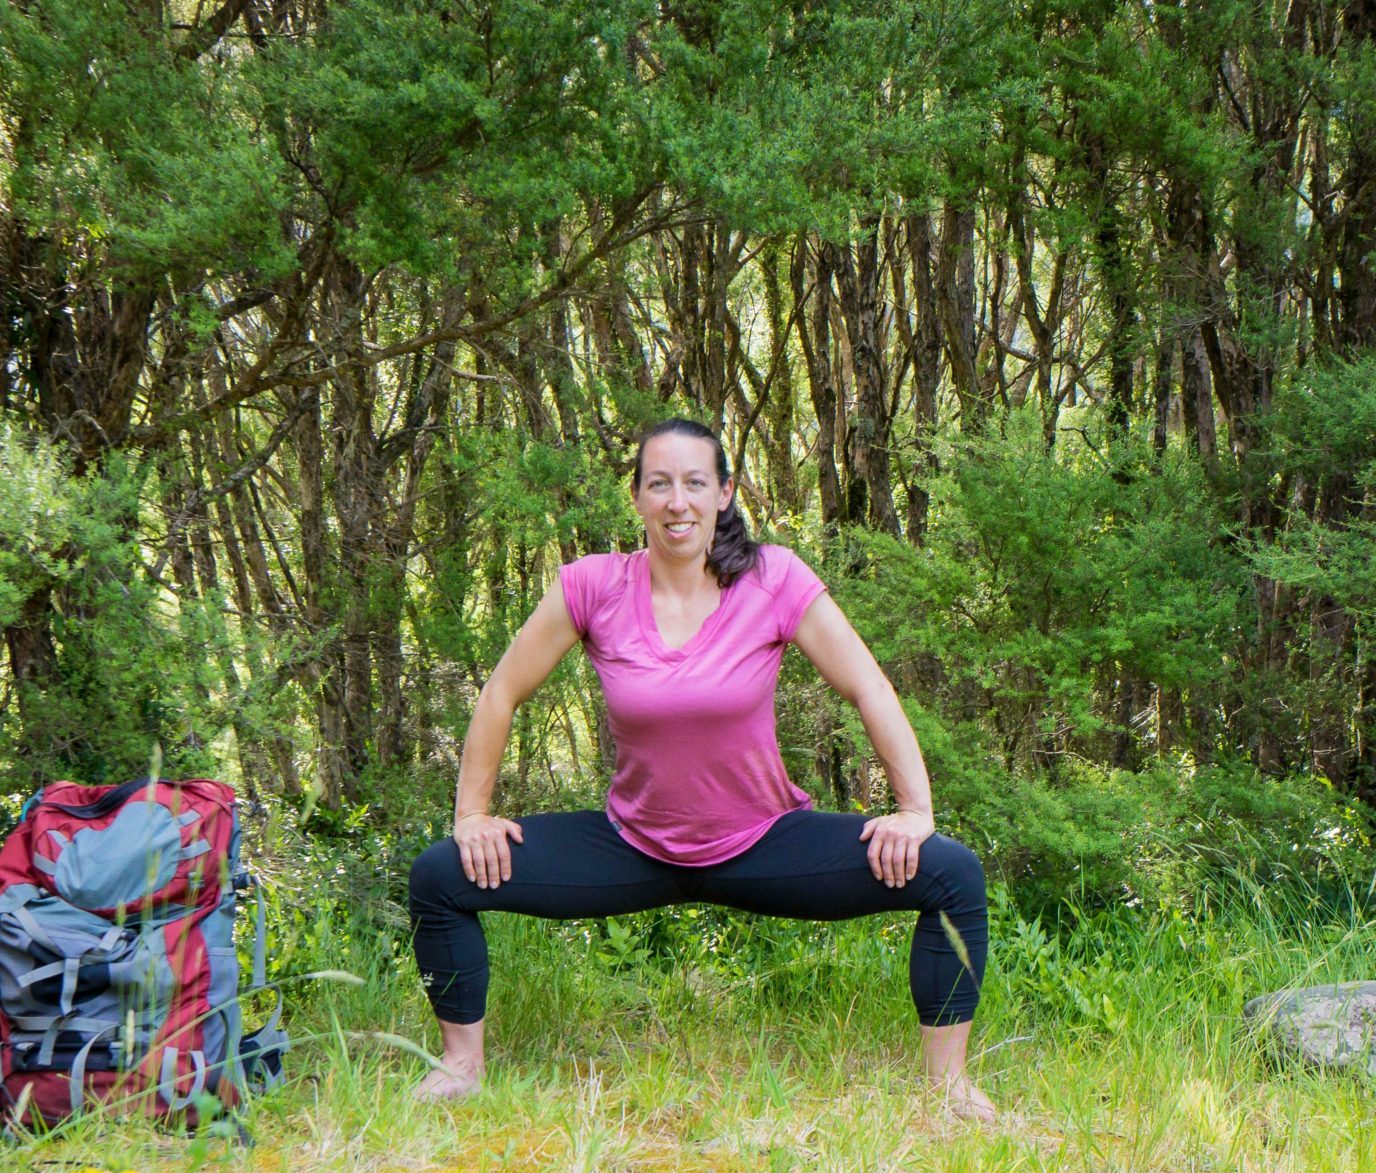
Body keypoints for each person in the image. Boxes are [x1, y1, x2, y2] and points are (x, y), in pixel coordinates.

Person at [408, 419, 995, 1120]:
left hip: (765, 842)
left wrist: (914, 809)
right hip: (633, 845)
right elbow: (502, 690)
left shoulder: (773, 578)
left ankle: (948, 1085)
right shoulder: (594, 586)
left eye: (694, 482)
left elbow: (868, 685)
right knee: (441, 875)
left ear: (724, 493)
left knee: (951, 872)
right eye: (660, 483)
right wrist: (472, 814)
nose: (677, 500)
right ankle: (461, 1065)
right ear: (638, 498)